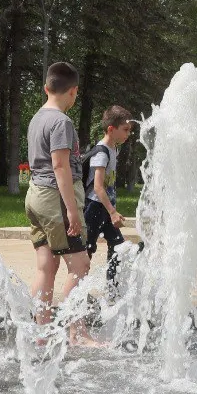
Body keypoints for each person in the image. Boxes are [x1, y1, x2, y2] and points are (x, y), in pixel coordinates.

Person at [24, 61, 97, 345]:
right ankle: (77, 333)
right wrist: (71, 210)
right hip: (55, 197)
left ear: (46, 88)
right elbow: (60, 166)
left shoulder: (36, 118)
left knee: (46, 266)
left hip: (35, 196)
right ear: (74, 92)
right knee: (80, 265)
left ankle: (40, 333)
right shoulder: (61, 122)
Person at [82, 105, 134, 282]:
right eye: (125, 130)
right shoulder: (102, 152)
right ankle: (77, 293)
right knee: (88, 250)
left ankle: (113, 288)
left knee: (118, 246)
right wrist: (112, 211)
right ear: (111, 129)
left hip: (105, 207)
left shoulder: (114, 149)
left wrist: (112, 210)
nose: (128, 134)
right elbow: (98, 187)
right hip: (94, 208)